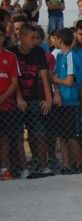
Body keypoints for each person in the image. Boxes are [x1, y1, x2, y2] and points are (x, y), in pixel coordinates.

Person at [10, 22, 52, 178]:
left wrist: (48, 98)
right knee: (18, 135)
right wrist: (19, 98)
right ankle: (23, 169)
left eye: (37, 37)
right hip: (16, 100)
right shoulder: (13, 52)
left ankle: (44, 166)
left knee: (39, 132)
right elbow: (14, 78)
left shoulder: (39, 52)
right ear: (21, 36)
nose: (36, 41)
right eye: (32, 37)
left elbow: (44, 76)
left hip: (34, 98)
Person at [50, 27, 82, 174]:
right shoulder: (60, 56)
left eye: (55, 39)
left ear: (60, 40)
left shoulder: (70, 55)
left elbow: (69, 81)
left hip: (71, 101)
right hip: (61, 101)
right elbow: (56, 79)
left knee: (71, 136)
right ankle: (66, 165)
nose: (53, 41)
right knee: (62, 135)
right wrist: (56, 90)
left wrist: (56, 79)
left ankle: (78, 164)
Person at [0, 25, 18, 179]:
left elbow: (14, 83)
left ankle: (4, 169)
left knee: (5, 138)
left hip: (6, 105)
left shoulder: (11, 56)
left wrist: (2, 98)